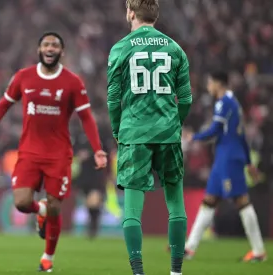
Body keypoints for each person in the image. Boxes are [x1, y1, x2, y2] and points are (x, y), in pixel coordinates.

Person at [0, 32, 107, 272]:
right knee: (22, 203)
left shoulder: (72, 82)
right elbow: (2, 107)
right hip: (29, 153)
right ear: (39, 49)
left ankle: (48, 258)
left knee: (56, 207)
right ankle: (39, 210)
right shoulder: (24, 77)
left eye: (55, 45)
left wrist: (98, 150)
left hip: (59, 155)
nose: (50, 48)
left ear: (61, 51)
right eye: (46, 44)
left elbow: (86, 117)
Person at [106, 0, 193, 274]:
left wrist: (118, 130)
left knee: (132, 210)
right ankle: (176, 271)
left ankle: (138, 272)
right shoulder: (175, 48)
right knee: (176, 204)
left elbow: (112, 99)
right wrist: (173, 125)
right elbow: (187, 99)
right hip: (167, 133)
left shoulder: (120, 48)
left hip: (134, 133)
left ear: (131, 12)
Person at [183, 71, 267, 262]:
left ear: (218, 83)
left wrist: (193, 137)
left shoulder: (225, 103)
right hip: (225, 158)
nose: (208, 87)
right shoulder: (233, 103)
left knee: (241, 201)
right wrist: (248, 163)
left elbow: (214, 130)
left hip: (228, 159)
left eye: (210, 83)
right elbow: (242, 136)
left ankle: (259, 251)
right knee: (209, 200)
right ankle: (189, 248)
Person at [73, 128, 112, 239]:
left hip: (96, 175)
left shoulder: (101, 137)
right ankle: (92, 226)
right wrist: (77, 155)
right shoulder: (79, 135)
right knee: (88, 203)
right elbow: (72, 150)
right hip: (83, 175)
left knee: (94, 201)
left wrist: (90, 155)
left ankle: (93, 228)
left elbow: (107, 155)